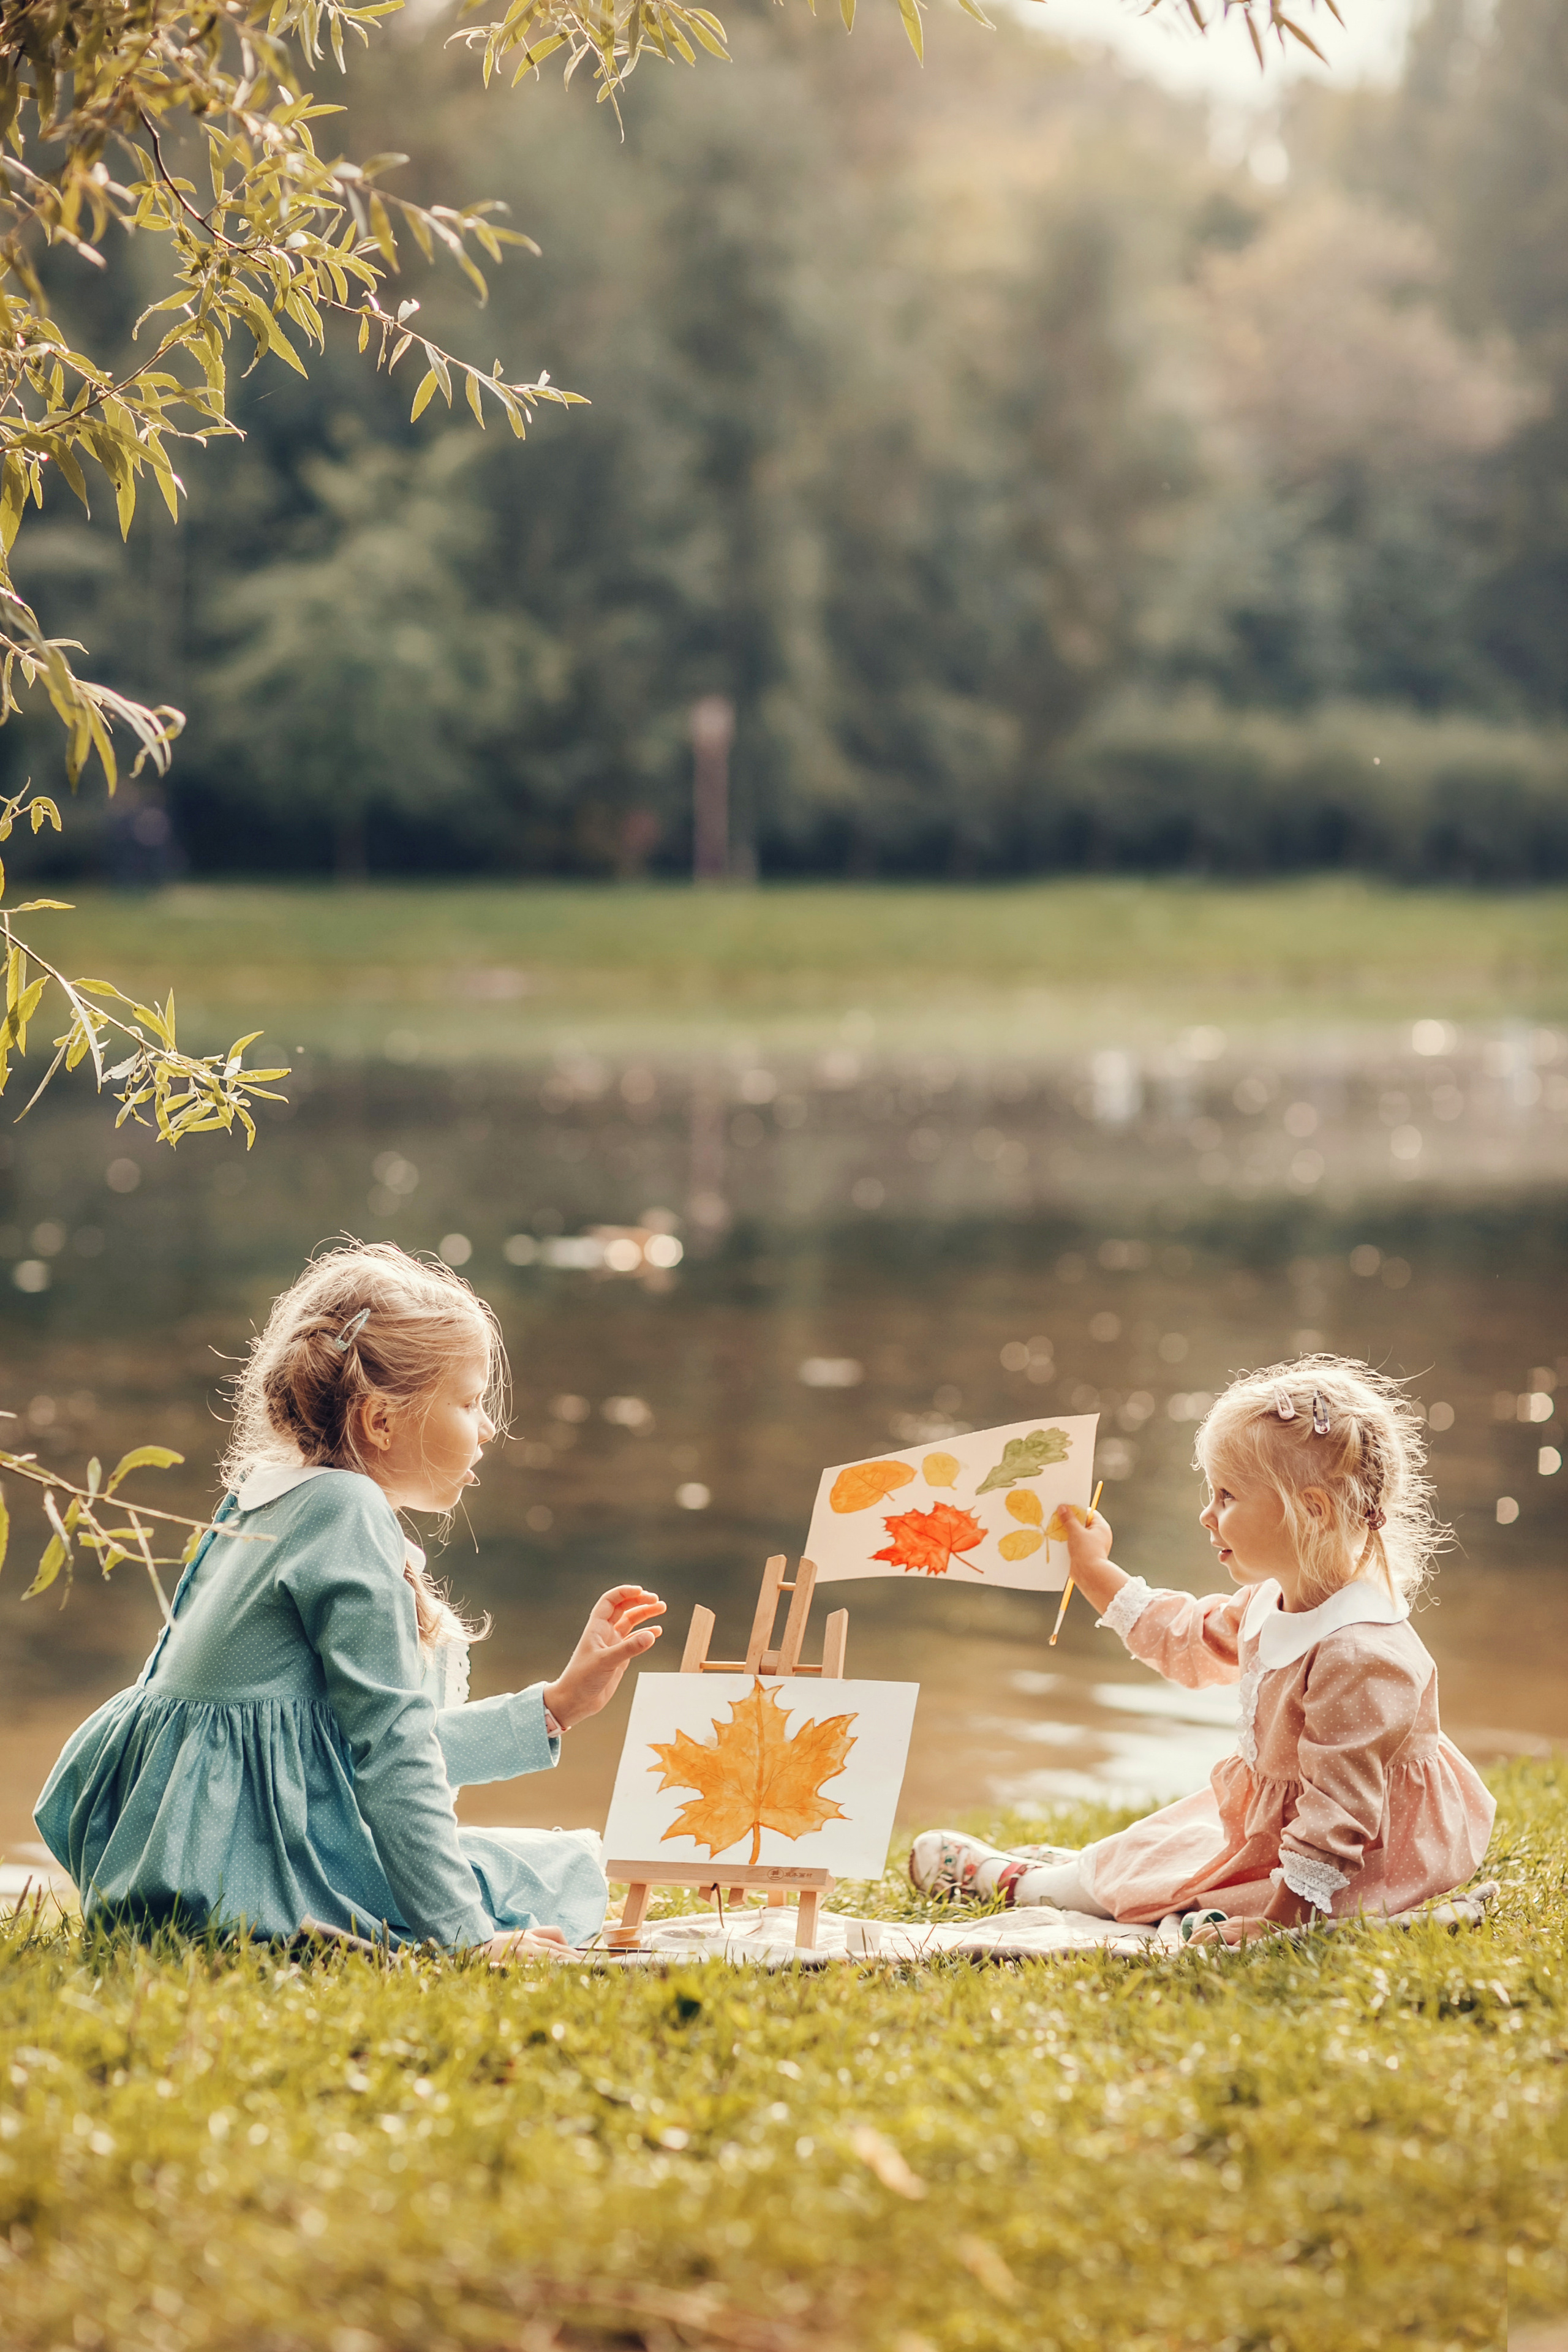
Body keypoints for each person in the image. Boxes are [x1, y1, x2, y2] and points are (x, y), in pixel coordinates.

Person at [35, 1241, 665, 1960]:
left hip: (169, 1877)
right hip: (250, 1887)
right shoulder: (347, 1512)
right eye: (467, 1402)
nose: (488, 1427)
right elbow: (391, 1751)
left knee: (542, 1871)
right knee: (547, 1877)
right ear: (380, 1420)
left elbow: (326, 1753)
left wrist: (555, 1707)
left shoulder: (257, 1502)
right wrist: (468, 1939)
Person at [910, 1355, 1495, 1943]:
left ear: (1311, 1511)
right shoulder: (1273, 1600)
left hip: (1369, 1856)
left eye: (1227, 1496)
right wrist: (1094, 1573)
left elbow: (1339, 1815)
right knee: (1158, 1854)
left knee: (1160, 1881)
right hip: (1284, 1823)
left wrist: (1276, 1926)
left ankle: (1019, 1884)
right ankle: (1072, 1874)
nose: (1206, 1515)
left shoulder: (1361, 1656)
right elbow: (1187, 1637)